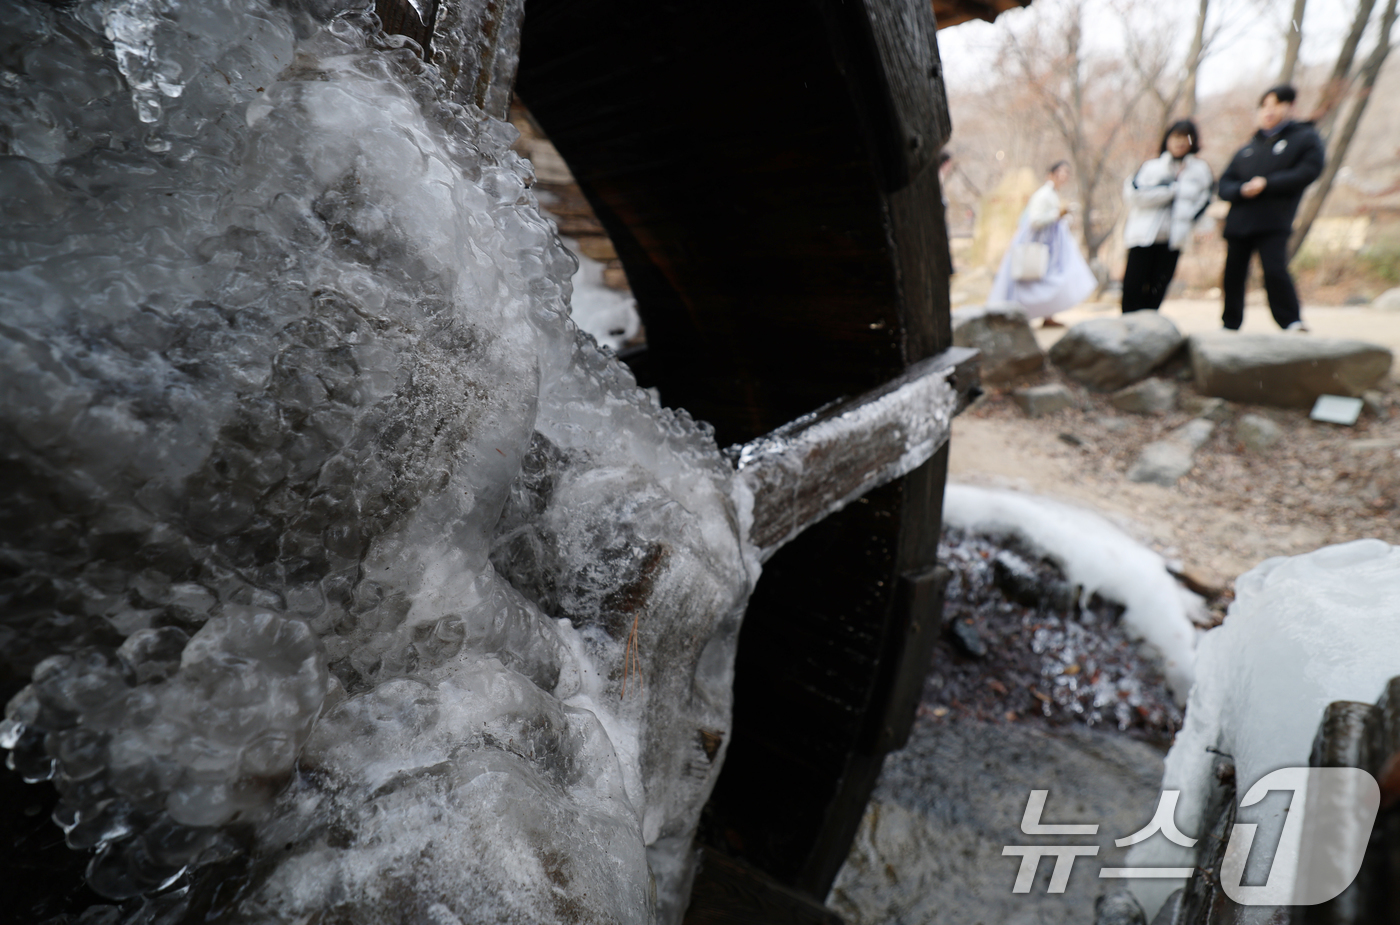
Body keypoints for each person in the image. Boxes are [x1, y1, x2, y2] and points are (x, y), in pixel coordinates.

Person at [1217, 84, 1325, 331]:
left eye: (1276, 104)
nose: (1269, 111)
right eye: (1264, 105)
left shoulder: (1304, 138)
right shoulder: (1248, 148)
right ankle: (1230, 323)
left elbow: (1309, 171)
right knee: (1233, 274)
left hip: (1274, 220)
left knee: (1275, 270)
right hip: (1240, 221)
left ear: (1290, 107)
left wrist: (1268, 184)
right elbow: (1224, 184)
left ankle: (1291, 321)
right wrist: (1241, 190)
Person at [1120, 120, 1215, 313]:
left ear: (1193, 141)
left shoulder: (1200, 170)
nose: (1180, 142)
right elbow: (1134, 194)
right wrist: (1172, 190)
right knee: (1133, 285)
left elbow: (1205, 201)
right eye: (1176, 137)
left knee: (1158, 287)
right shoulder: (1151, 167)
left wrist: (1192, 224)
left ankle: (1151, 329)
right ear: (1167, 139)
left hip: (1174, 239)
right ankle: (1128, 327)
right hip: (1143, 236)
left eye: (1186, 137)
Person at [990, 160, 1097, 328]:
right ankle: (1020, 314)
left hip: (1049, 246)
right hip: (1039, 246)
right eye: (1061, 172)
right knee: (1033, 281)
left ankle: (1047, 315)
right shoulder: (1044, 194)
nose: (1065, 176)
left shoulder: (1052, 193)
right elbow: (1034, 220)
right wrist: (1057, 214)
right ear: (1051, 174)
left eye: (1067, 173)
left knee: (1044, 279)